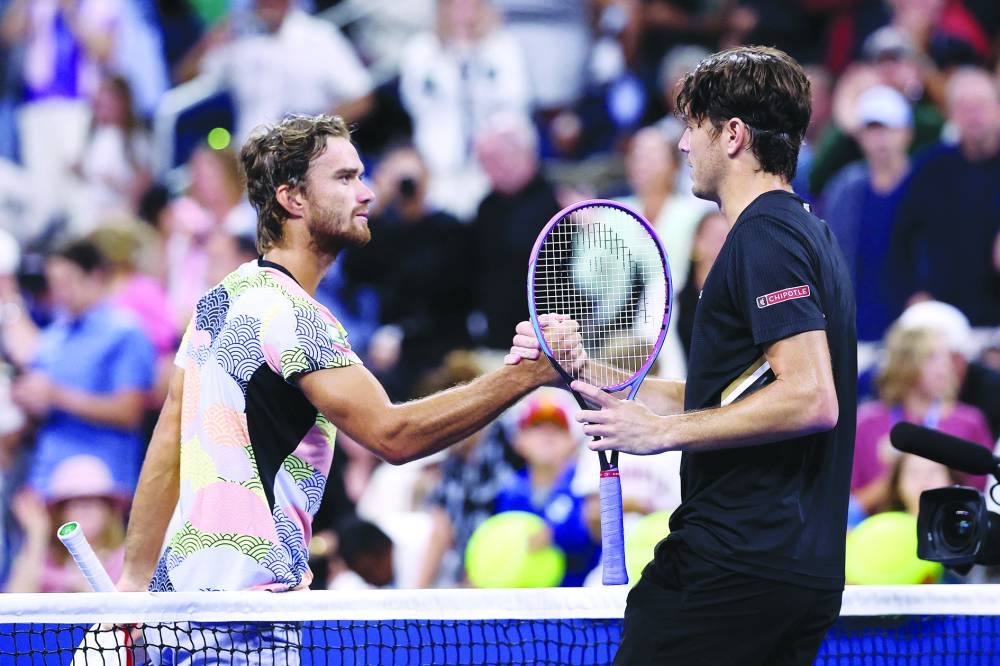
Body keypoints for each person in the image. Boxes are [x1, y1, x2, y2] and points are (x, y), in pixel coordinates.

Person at [115, 114, 573, 659]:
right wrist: (526, 375)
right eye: (345, 178)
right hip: (246, 622)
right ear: (293, 200)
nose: (367, 192)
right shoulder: (295, 318)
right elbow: (394, 435)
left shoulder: (223, 298)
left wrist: (133, 585)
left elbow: (167, 441)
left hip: (179, 612)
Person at [508, 46, 857, 665]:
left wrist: (662, 434)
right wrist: (583, 369)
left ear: (732, 135)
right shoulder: (808, 230)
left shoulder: (765, 237)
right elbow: (727, 400)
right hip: (793, 573)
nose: (680, 146)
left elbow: (810, 397)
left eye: (690, 128)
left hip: (732, 569)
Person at [852, 324, 993, 516]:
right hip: (882, 534)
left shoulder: (969, 422)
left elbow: (984, 499)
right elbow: (850, 508)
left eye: (946, 356)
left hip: (950, 536)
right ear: (904, 362)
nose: (945, 366)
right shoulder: (866, 424)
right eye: (931, 356)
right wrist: (899, 477)